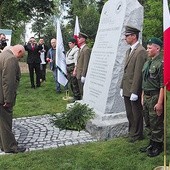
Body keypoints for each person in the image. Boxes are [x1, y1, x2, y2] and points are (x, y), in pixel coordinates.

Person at [120, 25, 147, 143]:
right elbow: (126, 71)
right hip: (126, 87)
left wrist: (135, 91)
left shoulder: (141, 51)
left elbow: (138, 73)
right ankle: (132, 132)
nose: (125, 38)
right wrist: (121, 86)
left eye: (127, 36)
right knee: (129, 113)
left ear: (134, 36)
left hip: (133, 88)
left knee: (136, 113)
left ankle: (137, 134)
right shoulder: (129, 50)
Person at [140, 37, 164, 157]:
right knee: (148, 121)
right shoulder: (147, 62)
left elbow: (162, 85)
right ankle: (151, 143)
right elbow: (144, 81)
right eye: (147, 47)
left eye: (150, 48)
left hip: (155, 96)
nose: (147, 49)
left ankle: (158, 145)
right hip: (146, 96)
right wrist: (142, 96)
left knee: (156, 122)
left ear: (157, 48)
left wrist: (159, 103)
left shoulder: (161, 64)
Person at [0, 44, 26, 153]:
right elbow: (8, 81)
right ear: (19, 51)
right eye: (20, 57)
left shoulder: (2, 55)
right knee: (6, 122)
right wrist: (8, 100)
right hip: (3, 96)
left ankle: (3, 144)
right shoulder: (11, 59)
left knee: (1, 122)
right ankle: (10, 147)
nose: (19, 59)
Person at [76, 32, 91, 98]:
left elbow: (86, 63)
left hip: (82, 74)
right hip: (79, 73)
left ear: (84, 39)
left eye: (79, 38)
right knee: (80, 89)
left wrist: (83, 75)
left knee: (83, 91)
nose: (78, 39)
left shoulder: (86, 49)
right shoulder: (80, 49)